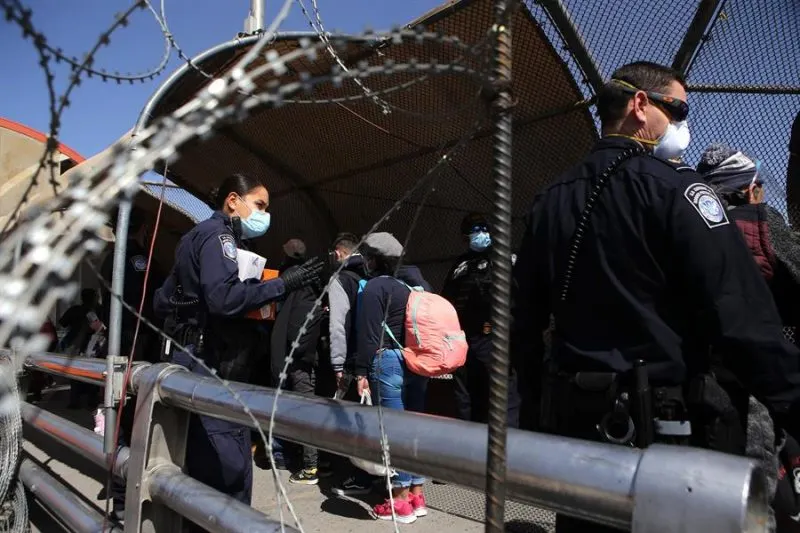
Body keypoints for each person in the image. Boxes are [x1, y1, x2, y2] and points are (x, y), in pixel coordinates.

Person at [511, 61, 800, 532]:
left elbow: (522, 323)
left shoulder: (550, 199)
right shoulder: (677, 189)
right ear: (640, 105)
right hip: (667, 435)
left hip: (579, 429)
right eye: (678, 109)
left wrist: (536, 411)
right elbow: (742, 318)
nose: (683, 123)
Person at [153, 173, 323, 519]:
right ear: (233, 200)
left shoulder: (194, 236)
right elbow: (223, 298)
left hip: (190, 355)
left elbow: (162, 300)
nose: (265, 215)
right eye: (259, 205)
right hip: (211, 362)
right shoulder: (220, 237)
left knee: (197, 461)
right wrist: (281, 285)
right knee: (227, 465)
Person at [354, 232, 431, 524]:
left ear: (374, 259)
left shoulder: (375, 287)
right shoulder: (411, 287)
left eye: (367, 256)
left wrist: (362, 371)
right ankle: (417, 494)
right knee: (413, 428)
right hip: (415, 362)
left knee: (392, 431)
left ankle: (399, 501)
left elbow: (369, 334)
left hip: (387, 362)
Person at [442, 213, 521, 427]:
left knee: (501, 390)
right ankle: (467, 433)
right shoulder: (461, 265)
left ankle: (506, 434)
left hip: (495, 334)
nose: (481, 234)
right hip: (465, 337)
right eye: (475, 230)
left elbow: (520, 294)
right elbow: (447, 297)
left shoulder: (505, 259)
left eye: (484, 229)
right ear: (465, 237)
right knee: (466, 391)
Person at [326, 232, 381, 496]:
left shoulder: (340, 278)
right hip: (376, 355)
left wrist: (337, 364)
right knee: (373, 416)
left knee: (353, 418)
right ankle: (378, 473)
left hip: (351, 358)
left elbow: (337, 324)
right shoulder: (374, 275)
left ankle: (360, 476)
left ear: (339, 253)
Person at [270, 238, 327, 485]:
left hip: (298, 359)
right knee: (306, 408)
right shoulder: (313, 284)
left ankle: (310, 466)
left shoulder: (294, 283)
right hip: (306, 357)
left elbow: (294, 327)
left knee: (304, 410)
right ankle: (317, 460)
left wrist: (293, 352)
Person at [58, 288, 101, 409]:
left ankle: (74, 400)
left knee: (74, 374)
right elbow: (99, 328)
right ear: (93, 299)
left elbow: (62, 323)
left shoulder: (74, 310)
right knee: (92, 372)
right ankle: (91, 400)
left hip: (73, 345)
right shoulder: (93, 312)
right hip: (90, 346)